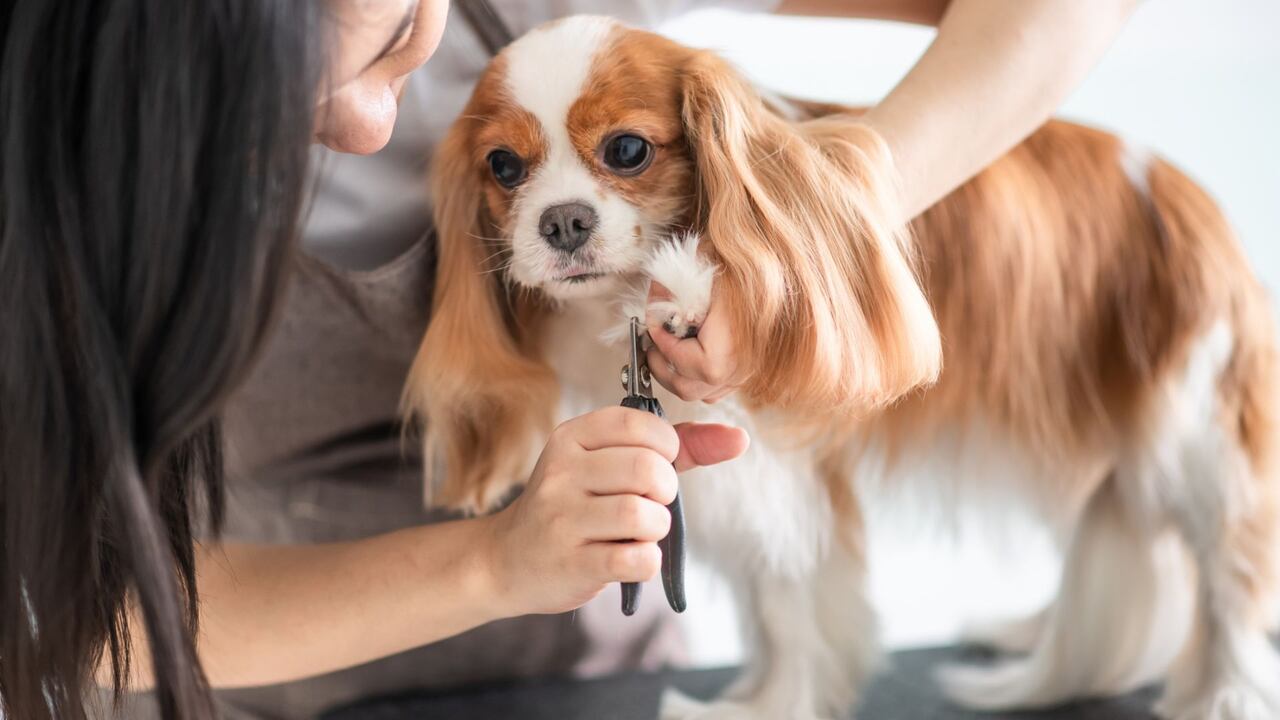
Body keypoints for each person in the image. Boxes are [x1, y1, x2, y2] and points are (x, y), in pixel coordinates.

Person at [0, 0, 1138, 718]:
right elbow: (47, 611)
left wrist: (823, 217)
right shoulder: (34, 147)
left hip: (593, 675)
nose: (359, 128)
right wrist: (492, 561)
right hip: (205, 688)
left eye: (391, 42)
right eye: (266, 108)